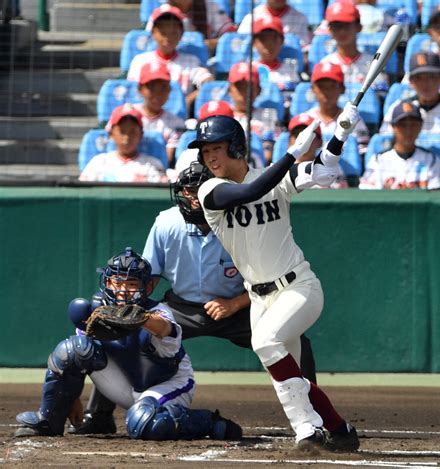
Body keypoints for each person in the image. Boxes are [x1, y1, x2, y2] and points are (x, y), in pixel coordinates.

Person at [71, 162, 322, 442]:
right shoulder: (166, 222)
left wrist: (235, 304)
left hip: (239, 305)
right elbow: (149, 277)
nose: (192, 198)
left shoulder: (241, 219)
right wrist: (132, 312)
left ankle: (313, 415)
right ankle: (99, 415)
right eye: (187, 192)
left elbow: (262, 275)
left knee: (295, 342)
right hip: (182, 307)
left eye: (198, 191)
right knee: (121, 333)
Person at [190, 105, 362, 452]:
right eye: (206, 151)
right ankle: (339, 431)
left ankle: (306, 432)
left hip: (299, 287)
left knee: (266, 344)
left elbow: (323, 174)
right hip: (259, 298)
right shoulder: (211, 190)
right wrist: (291, 153)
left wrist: (337, 141)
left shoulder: (277, 178)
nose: (210, 157)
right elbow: (248, 193)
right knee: (293, 375)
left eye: (216, 149)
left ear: (236, 147)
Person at [14, 248, 242, 441]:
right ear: (107, 282)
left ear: (147, 287)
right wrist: (70, 399)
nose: (123, 289)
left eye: (131, 283)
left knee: (144, 423)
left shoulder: (159, 312)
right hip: (124, 382)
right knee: (73, 349)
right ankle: (49, 420)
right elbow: (74, 361)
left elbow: (165, 329)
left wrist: (140, 319)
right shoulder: (95, 309)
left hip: (166, 383)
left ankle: (209, 422)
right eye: (117, 282)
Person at [381, 51, 440, 183]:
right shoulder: (398, 108)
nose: (426, 84)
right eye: (419, 78)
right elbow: (387, 139)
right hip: (405, 164)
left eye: (431, 77)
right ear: (411, 81)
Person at [128, 4, 213, 114]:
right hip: (145, 115)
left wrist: (189, 99)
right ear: (153, 33)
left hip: (180, 117)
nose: (168, 37)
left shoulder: (191, 60)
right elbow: (133, 92)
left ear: (182, 34)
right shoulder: (140, 61)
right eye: (163, 32)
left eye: (173, 32)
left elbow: (209, 82)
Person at [359, 102, 440, 190]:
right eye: (403, 125)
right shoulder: (379, 160)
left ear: (420, 127)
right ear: (393, 127)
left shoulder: (431, 159)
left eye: (413, 125)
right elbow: (368, 196)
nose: (408, 131)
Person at [79, 104, 167, 183]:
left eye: (132, 132)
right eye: (122, 131)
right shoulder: (98, 162)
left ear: (141, 134)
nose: (127, 137)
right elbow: (83, 192)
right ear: (111, 134)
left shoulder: (152, 165)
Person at [319, 1, 388, 94]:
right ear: (330, 29)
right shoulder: (326, 64)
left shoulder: (373, 64)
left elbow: (381, 95)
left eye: (347, 25)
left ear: (359, 27)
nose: (342, 31)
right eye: (336, 26)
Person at [307, 62, 369, 162]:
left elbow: (363, 153)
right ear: (313, 89)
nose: (326, 91)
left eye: (332, 86)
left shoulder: (353, 118)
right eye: (321, 86)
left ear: (342, 89)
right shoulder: (306, 119)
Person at [227, 61, 283, 165]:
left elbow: (269, 154)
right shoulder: (223, 116)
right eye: (240, 87)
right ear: (229, 89)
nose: (244, 93)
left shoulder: (268, 115)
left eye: (249, 88)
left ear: (259, 90)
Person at [135, 62, 186, 169]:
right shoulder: (127, 114)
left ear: (169, 90)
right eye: (151, 87)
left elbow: (168, 158)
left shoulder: (176, 123)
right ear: (140, 89)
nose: (157, 93)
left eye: (163, 87)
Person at [146, 0, 236, 54]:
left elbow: (231, 35)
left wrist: (213, 43)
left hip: (204, 61)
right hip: (170, 61)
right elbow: (150, 43)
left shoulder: (209, 5)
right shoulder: (161, 12)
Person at [288, 113, 348, 189]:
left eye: (310, 136)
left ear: (320, 142)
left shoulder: (331, 165)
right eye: (297, 135)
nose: (304, 140)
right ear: (289, 141)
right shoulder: (281, 169)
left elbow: (343, 194)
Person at [252, 16, 301, 96]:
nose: (269, 44)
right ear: (254, 43)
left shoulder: (290, 71)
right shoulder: (250, 70)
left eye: (273, 39)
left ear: (282, 41)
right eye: (263, 39)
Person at [237, 0, 311, 49]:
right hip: (258, 65)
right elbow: (240, 46)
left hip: (289, 65)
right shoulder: (252, 17)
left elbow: (304, 49)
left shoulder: (300, 18)